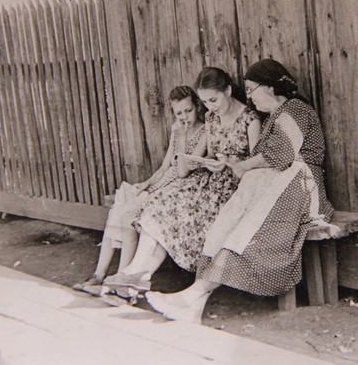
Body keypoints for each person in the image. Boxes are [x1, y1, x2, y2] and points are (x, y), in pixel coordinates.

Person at [145, 58, 335, 323]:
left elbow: (279, 154)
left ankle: (191, 297)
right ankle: (193, 304)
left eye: (251, 89)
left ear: (269, 87)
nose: (249, 96)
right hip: (275, 185)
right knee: (225, 225)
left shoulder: (295, 111)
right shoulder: (275, 116)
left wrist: (243, 166)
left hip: (301, 189)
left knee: (246, 233)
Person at [102, 67, 261, 295]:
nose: (210, 107)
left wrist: (231, 164)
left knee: (172, 216)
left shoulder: (250, 119)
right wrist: (207, 161)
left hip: (232, 189)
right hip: (206, 181)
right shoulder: (211, 117)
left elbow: (254, 165)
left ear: (228, 91)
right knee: (159, 208)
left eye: (213, 100)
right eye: (205, 102)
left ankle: (134, 276)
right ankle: (137, 275)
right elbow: (206, 155)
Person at [73, 85, 207, 294]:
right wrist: (146, 184)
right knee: (121, 203)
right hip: (163, 183)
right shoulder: (177, 129)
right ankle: (99, 276)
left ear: (197, 107)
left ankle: (119, 279)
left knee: (128, 214)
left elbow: (182, 171)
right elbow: (165, 167)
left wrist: (181, 136)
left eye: (188, 111)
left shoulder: (203, 131)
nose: (184, 117)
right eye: (178, 113)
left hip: (180, 186)